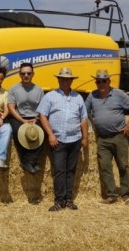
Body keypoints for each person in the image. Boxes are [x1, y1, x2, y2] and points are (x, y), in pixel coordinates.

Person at [85, 69, 129, 205]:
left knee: (123, 165)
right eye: (98, 81)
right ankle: (111, 194)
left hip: (119, 136)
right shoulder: (92, 95)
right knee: (105, 166)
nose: (101, 84)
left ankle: (125, 194)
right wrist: (92, 125)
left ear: (109, 81)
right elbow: (84, 112)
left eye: (104, 81)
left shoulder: (118, 94)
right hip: (102, 138)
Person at [37, 67, 89, 211]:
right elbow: (42, 116)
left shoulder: (78, 97)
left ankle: (69, 200)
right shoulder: (50, 96)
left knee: (70, 171)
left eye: (68, 79)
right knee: (59, 170)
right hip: (58, 140)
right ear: (58, 79)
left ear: (71, 80)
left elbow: (84, 118)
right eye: (62, 78)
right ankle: (59, 201)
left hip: (75, 139)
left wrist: (85, 137)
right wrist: (50, 135)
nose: (65, 81)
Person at [7, 62, 45, 174]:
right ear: (20, 75)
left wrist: (36, 119)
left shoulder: (39, 90)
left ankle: (28, 161)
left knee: (44, 132)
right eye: (23, 73)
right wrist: (23, 121)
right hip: (19, 117)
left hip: (35, 117)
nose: (26, 75)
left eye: (29, 73)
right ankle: (31, 162)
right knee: (18, 131)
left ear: (33, 74)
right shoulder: (13, 89)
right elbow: (11, 108)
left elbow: (42, 108)